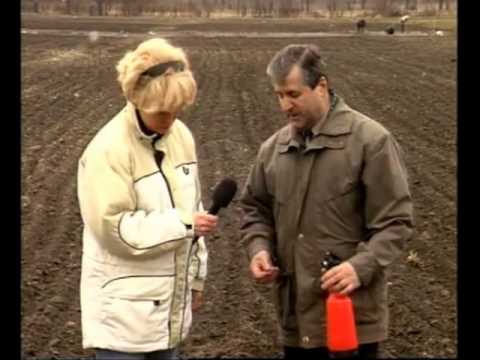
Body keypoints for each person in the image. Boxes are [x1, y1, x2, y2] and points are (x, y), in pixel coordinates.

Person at [239, 44, 414, 359]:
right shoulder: (273, 150)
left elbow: (395, 222)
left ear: (321, 86)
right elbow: (255, 209)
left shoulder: (371, 142)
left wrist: (360, 267)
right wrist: (259, 248)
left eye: (293, 94)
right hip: (295, 317)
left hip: (349, 319)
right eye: (279, 95)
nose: (284, 105)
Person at [77, 38, 218, 360]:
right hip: (121, 319)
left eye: (177, 109)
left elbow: (193, 210)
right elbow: (115, 230)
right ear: (139, 100)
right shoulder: (108, 150)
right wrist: (184, 224)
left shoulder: (180, 137)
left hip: (168, 310)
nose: (171, 119)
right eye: (163, 111)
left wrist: (196, 279)